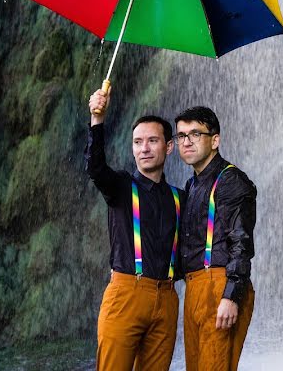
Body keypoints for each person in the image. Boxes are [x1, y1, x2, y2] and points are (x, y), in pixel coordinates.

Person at [85, 87, 182, 371]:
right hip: (126, 295)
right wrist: (97, 119)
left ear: (169, 146)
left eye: (153, 140)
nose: (145, 148)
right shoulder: (121, 187)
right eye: (138, 142)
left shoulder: (180, 198)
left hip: (166, 299)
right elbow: (95, 168)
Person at [175, 106, 257, 371]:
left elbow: (241, 242)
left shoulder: (230, 180)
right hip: (195, 288)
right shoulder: (192, 185)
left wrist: (231, 295)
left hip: (219, 286)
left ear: (215, 140)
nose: (186, 141)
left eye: (195, 134)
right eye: (181, 136)